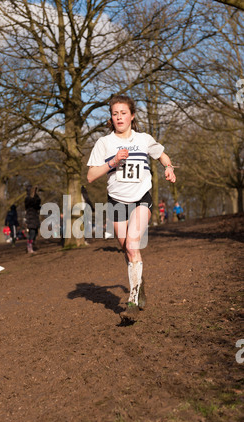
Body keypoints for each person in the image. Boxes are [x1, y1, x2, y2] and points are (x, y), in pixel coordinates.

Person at [87, 95, 176, 321]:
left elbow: (162, 156)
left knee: (133, 245)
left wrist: (169, 167)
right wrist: (113, 162)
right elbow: (90, 176)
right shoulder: (104, 143)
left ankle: (133, 303)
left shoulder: (144, 139)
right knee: (126, 249)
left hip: (140, 198)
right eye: (115, 113)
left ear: (132, 116)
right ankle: (139, 280)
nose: (119, 117)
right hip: (116, 201)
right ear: (111, 117)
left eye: (123, 113)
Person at [24, 185, 41, 253]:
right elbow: (31, 202)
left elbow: (37, 203)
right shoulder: (27, 199)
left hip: (35, 218)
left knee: (35, 233)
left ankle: (31, 245)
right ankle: (29, 247)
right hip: (31, 218)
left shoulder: (35, 199)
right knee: (32, 233)